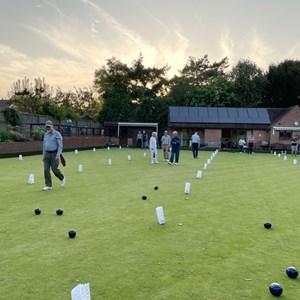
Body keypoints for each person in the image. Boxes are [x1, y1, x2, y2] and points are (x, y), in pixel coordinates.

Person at [42, 120, 65, 191]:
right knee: (46, 170)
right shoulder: (45, 134)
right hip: (46, 154)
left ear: (52, 126)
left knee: (54, 169)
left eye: (49, 127)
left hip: (54, 154)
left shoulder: (57, 134)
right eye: (47, 127)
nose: (48, 128)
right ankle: (48, 185)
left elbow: (60, 146)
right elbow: (44, 145)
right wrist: (43, 155)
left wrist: (58, 155)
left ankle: (62, 178)